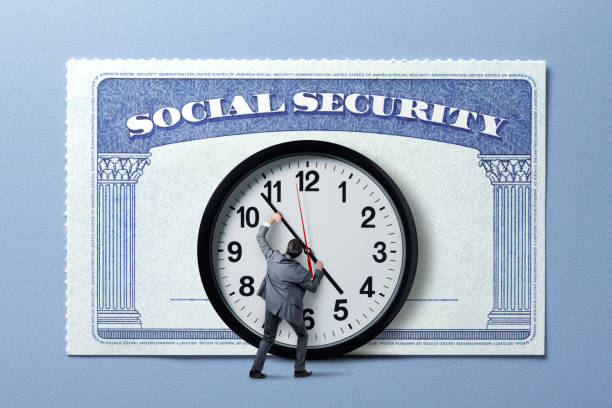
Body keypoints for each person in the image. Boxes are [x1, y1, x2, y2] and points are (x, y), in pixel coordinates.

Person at [249, 212, 324, 379]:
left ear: (286, 248)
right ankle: (299, 369)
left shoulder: (272, 256)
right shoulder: (300, 272)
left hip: (271, 304)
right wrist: (318, 271)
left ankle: (255, 370)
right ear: (299, 254)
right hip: (290, 309)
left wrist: (272, 220)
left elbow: (260, 236)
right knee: (303, 335)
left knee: (267, 337)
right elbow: (312, 287)